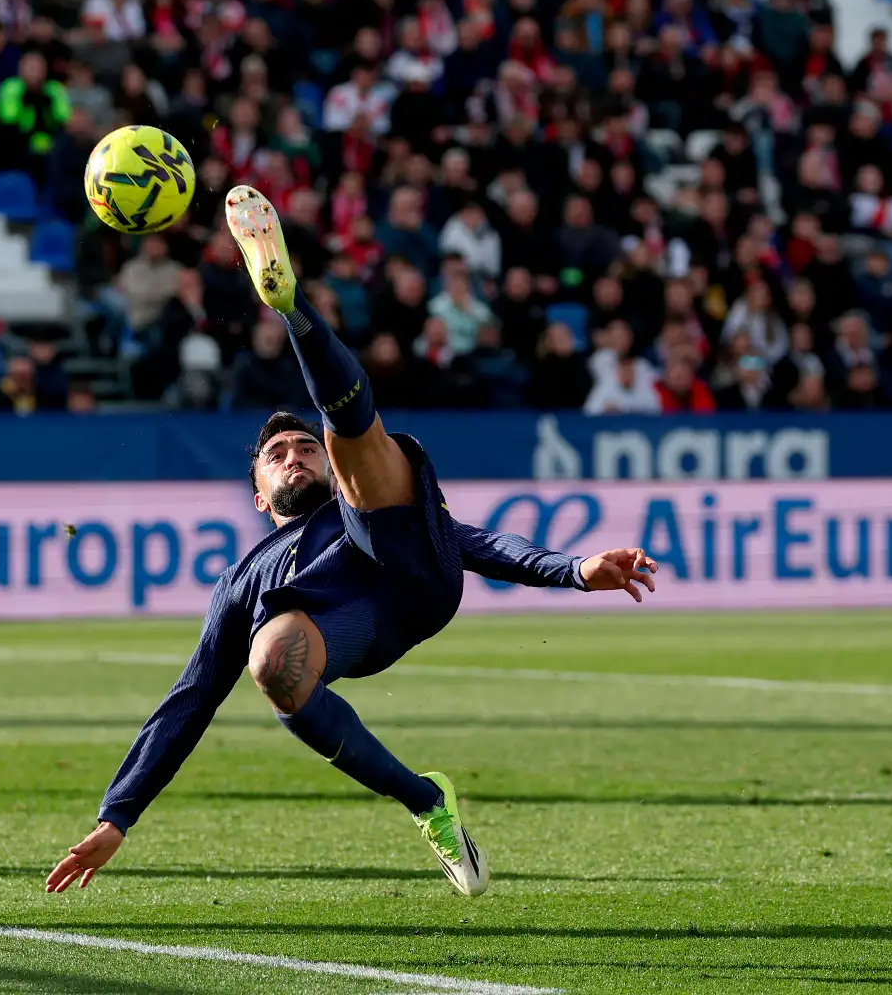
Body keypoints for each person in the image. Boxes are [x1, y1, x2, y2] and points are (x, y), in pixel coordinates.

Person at [46, 187, 660, 899]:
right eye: (275, 454)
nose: (292, 456)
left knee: (353, 440)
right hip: (353, 626)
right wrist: (116, 816)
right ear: (255, 495)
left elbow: (478, 541)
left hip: (406, 556)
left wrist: (575, 570)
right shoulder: (243, 582)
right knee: (270, 660)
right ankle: (428, 802)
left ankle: (290, 305)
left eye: (300, 447)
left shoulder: (345, 490)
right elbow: (186, 702)